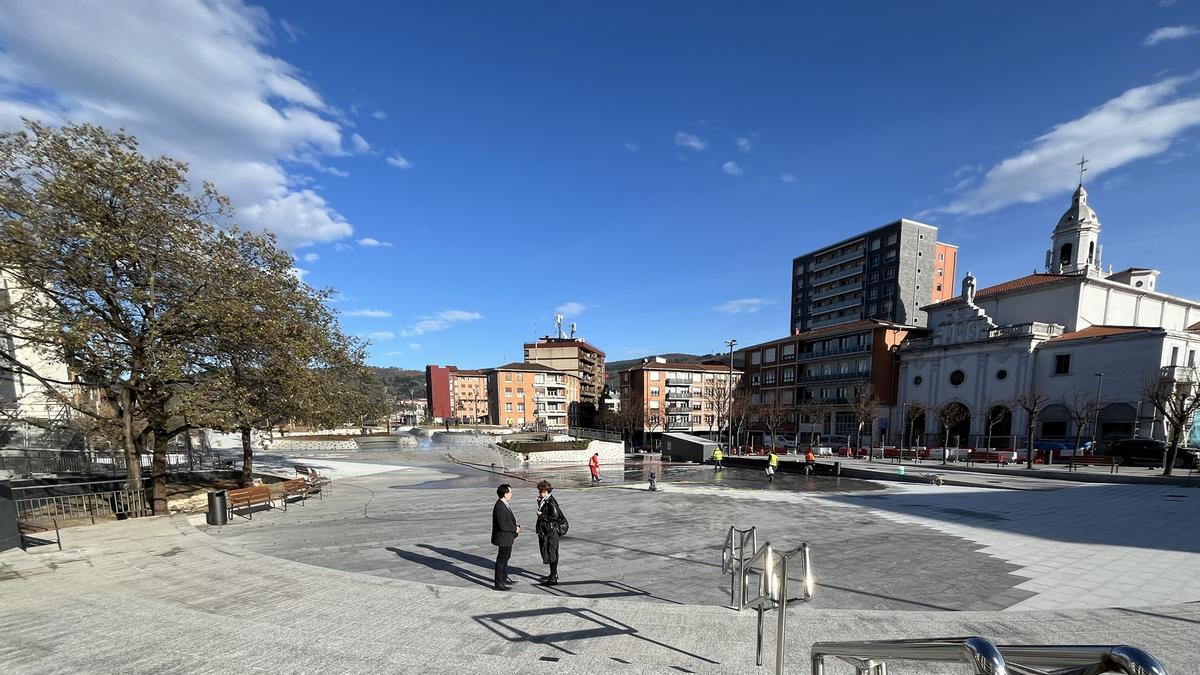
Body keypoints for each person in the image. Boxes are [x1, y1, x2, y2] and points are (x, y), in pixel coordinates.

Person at [491, 483, 522, 591]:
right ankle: (498, 583)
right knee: (501, 559)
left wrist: (516, 526)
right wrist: (515, 529)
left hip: (507, 537)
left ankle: (504, 578)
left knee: (505, 558)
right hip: (503, 537)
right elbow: (503, 525)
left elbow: (507, 521)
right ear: (505, 494)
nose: (511, 494)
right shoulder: (500, 506)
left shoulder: (504, 504)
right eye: (510, 492)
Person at [534, 480, 563, 586]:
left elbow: (555, 517)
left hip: (551, 531)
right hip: (547, 530)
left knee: (551, 552)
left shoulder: (551, 502)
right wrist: (539, 503)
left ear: (546, 491)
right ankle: (553, 574)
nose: (539, 493)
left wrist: (541, 515)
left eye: (540, 491)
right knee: (550, 552)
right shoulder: (545, 500)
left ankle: (554, 577)